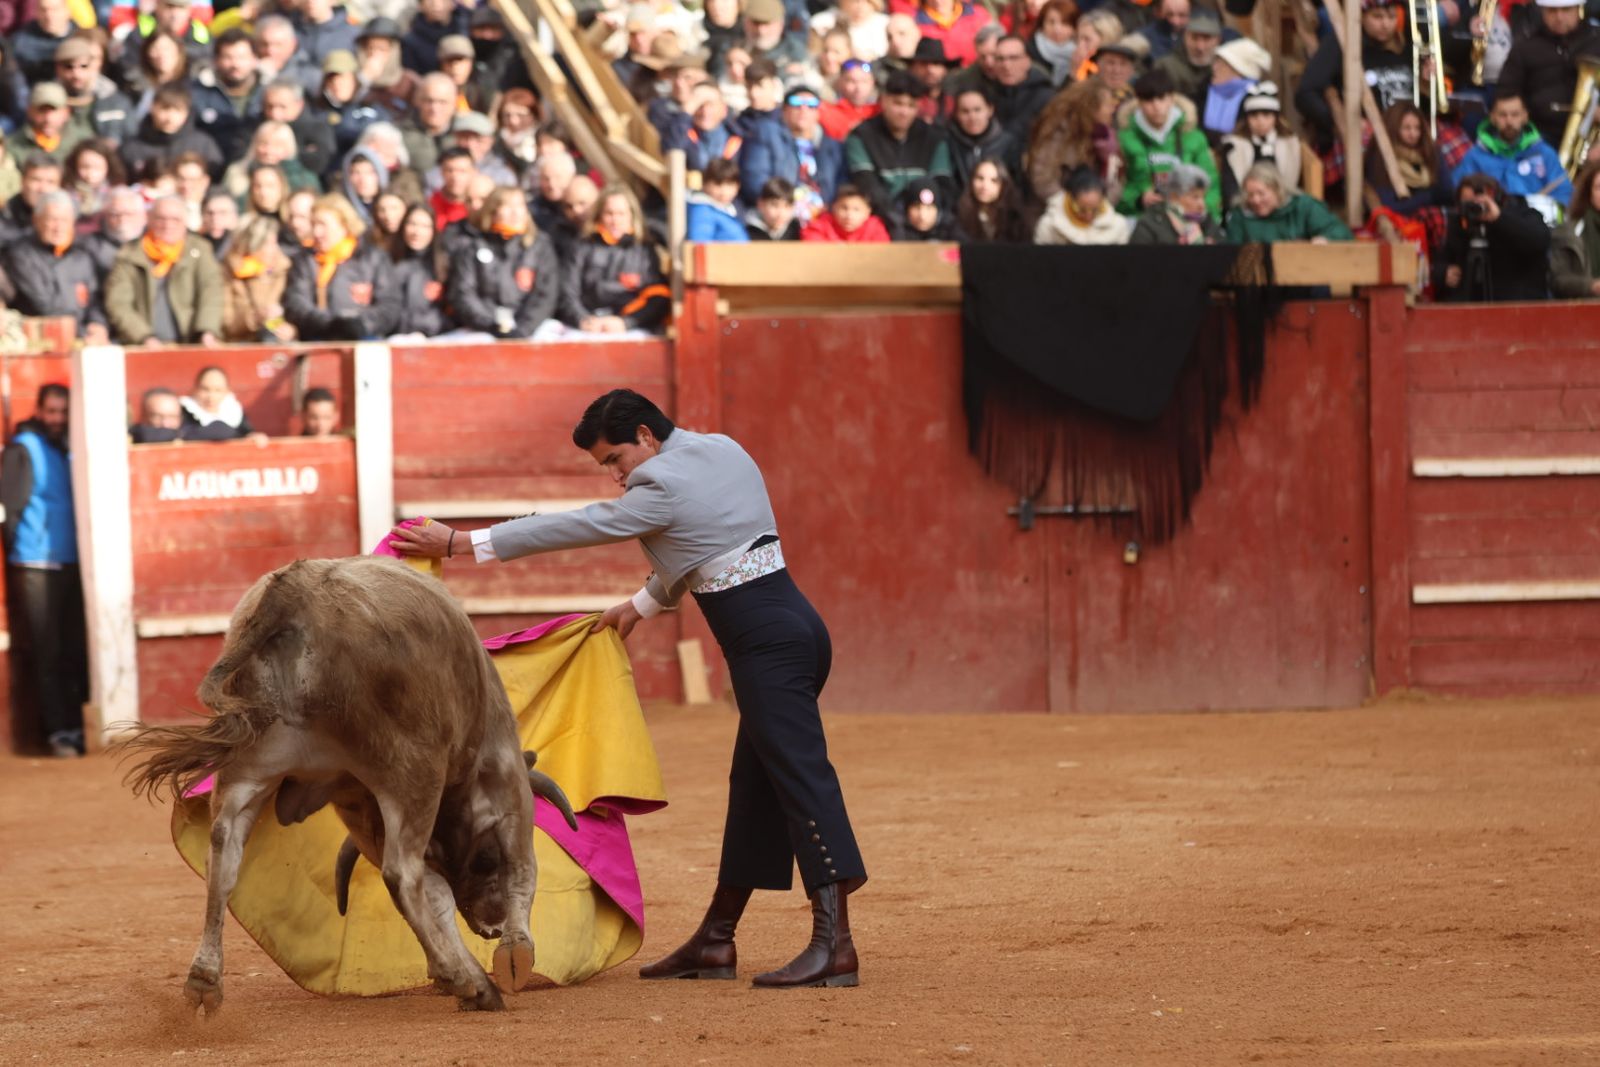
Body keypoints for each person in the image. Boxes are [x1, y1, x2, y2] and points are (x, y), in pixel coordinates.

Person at [387, 388, 868, 989]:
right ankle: (716, 941)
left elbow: (583, 525)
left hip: (765, 647)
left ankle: (836, 945)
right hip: (797, 630)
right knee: (756, 785)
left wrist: (462, 543)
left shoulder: (656, 485)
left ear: (645, 435)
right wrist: (640, 605)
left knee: (800, 779)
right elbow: (706, 540)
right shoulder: (723, 449)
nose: (615, 478)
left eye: (614, 460)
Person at [2, 383, 89, 758]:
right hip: (36, 563)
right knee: (49, 651)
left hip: (70, 561)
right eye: (51, 411)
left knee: (70, 649)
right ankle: (58, 732)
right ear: (39, 410)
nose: (57, 418)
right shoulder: (25, 449)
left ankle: (73, 726)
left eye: (63, 411)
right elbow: (10, 510)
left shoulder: (69, 447)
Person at [104, 195, 223, 346]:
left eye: (175, 219)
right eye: (161, 218)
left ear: (185, 222)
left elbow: (211, 292)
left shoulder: (200, 250)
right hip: (144, 345)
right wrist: (144, 337)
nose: (168, 225)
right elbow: (118, 304)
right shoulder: (129, 255)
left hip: (190, 343)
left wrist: (207, 331)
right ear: (149, 219)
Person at [283, 192, 402, 341]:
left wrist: (360, 324)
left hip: (365, 339)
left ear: (344, 225)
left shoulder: (372, 258)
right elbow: (296, 302)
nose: (316, 232)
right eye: (313, 225)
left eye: (323, 225)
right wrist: (328, 323)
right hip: (318, 338)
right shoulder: (305, 260)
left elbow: (390, 305)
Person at [449, 187, 562, 338]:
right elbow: (463, 293)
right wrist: (492, 325)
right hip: (485, 328)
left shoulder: (540, 245)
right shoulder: (474, 246)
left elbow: (545, 294)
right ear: (493, 211)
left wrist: (523, 329)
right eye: (508, 206)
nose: (515, 212)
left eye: (520, 205)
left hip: (530, 328)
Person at [843, 70, 955, 217]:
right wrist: (895, 219)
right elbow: (867, 185)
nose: (904, 112)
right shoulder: (861, 136)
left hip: (925, 220)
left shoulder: (934, 138)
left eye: (911, 105)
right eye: (898, 103)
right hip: (880, 220)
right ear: (883, 101)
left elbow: (943, 186)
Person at [0, 191, 107, 343]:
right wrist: (83, 332)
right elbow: (43, 306)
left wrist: (98, 324)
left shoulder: (81, 257)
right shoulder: (21, 255)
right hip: (42, 341)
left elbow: (94, 300)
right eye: (52, 220)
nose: (58, 227)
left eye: (64, 220)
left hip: (82, 339)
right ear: (36, 220)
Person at [562, 185, 671, 333]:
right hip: (587, 325)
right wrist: (582, 320)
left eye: (621, 214)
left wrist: (626, 322)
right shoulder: (582, 246)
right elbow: (567, 292)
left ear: (631, 215)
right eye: (609, 213)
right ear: (599, 215)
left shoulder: (644, 249)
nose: (615, 220)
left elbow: (657, 294)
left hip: (630, 326)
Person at [1496, 0, 1600, 150]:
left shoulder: (1596, 41)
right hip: (1538, 135)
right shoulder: (1525, 46)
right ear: (1542, 11)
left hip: (1591, 135)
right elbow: (1506, 91)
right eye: (1552, 11)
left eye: (1566, 10)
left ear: (1578, 9)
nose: (1559, 17)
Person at [1434, 172, 1553, 301]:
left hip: (1515, 305)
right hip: (1470, 308)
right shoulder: (1459, 227)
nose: (1474, 210)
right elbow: (1438, 264)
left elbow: (1539, 240)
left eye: (1478, 204)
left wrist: (1499, 218)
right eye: (1467, 205)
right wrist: (1443, 273)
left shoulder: (1521, 215)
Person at [1118, 68, 1220, 218]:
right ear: (1139, 102)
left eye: (1161, 98)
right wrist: (1139, 199)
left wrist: (1201, 212)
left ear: (1172, 99)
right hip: (1140, 219)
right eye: (1149, 100)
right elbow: (1115, 189)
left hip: (1189, 219)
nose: (1156, 107)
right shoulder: (1123, 139)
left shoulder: (1193, 137)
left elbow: (1211, 185)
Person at [1451, 91, 1572, 211]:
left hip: (1537, 225)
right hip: (1490, 225)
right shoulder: (1475, 156)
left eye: (1515, 114)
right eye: (1502, 115)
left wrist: (1543, 209)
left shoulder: (1545, 154)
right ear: (1492, 117)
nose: (1509, 121)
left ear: (1525, 116)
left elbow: (1565, 194)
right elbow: (1457, 194)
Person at [739, 86, 843, 220]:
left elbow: (842, 185)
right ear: (784, 110)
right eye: (796, 104)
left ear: (818, 113)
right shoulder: (765, 133)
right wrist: (785, 206)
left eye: (811, 105)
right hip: (778, 217)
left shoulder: (832, 146)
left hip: (825, 219)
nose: (803, 110)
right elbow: (755, 180)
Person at [1026, 75, 1120, 203]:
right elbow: (1043, 180)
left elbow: (1116, 180)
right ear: (1091, 107)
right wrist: (1074, 209)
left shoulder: (1108, 138)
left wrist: (1100, 207)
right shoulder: (1058, 134)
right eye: (1108, 105)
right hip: (1061, 210)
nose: (1112, 109)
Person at [1224, 160, 1354, 241]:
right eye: (1250, 195)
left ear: (1277, 190)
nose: (1256, 200)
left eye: (1261, 194)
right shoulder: (1240, 215)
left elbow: (1340, 231)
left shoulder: (1303, 206)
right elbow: (1231, 250)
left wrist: (1325, 239)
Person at [220, 208, 298, 342]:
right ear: (252, 245)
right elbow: (225, 322)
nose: (274, 249)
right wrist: (255, 317)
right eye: (267, 244)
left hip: (278, 343)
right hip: (241, 344)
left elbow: (296, 311)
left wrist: (291, 330)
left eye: (275, 243)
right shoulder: (228, 272)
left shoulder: (284, 269)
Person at [1219, 81, 1301, 205]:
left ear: (1276, 118)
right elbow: (1231, 187)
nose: (1260, 121)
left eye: (1266, 115)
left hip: (1281, 204)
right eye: (1254, 116)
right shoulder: (1234, 146)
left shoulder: (1290, 144)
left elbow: (1292, 183)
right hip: (1248, 203)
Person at [1366, 101, 1453, 217]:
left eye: (1417, 128)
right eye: (1406, 128)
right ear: (1393, 128)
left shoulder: (1432, 153)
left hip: (1430, 222)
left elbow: (1448, 194)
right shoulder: (1379, 158)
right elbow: (1388, 206)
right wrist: (1427, 197)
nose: (1413, 134)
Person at [391, 204, 453, 336]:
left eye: (425, 226)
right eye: (412, 224)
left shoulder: (444, 265)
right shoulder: (388, 263)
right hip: (396, 337)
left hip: (438, 336)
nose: (417, 232)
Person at [945, 85, 1020, 191]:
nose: (972, 117)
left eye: (977, 110)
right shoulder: (948, 143)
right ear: (956, 114)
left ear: (990, 110)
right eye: (965, 111)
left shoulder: (1008, 144)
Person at [1036, 165, 1135, 243]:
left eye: (1095, 210)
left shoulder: (1118, 226)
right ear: (1070, 199)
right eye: (1081, 210)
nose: (1089, 216)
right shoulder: (1049, 225)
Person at [1128, 161, 1221, 242]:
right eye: (1195, 197)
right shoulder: (1150, 223)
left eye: (1203, 197)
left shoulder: (1206, 222)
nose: (1202, 204)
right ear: (1174, 196)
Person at [1154, 7, 1222, 109]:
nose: (1200, 47)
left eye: (1207, 39)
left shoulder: (1226, 68)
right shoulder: (1165, 66)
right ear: (1184, 37)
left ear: (1218, 40)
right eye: (1194, 38)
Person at [1551, 160, 1600, 297]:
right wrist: (1591, 286)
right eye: (1599, 187)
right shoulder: (1569, 232)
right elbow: (1558, 281)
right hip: (1584, 309)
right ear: (1588, 192)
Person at [955, 157, 1034, 241]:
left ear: (1003, 185)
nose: (985, 186)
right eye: (980, 178)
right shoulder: (958, 216)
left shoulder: (1015, 219)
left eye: (994, 180)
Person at [180, 366, 264, 442]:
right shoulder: (186, 410)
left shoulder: (233, 410)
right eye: (205, 389)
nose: (211, 397)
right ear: (196, 389)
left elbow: (248, 433)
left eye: (218, 390)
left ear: (226, 391)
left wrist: (253, 437)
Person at [687, 157, 751, 242]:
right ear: (704, 184)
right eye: (717, 184)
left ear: (737, 186)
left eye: (729, 184)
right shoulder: (703, 210)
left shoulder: (728, 209)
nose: (723, 191)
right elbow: (700, 244)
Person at [800, 182, 891, 240]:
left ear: (867, 212)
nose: (849, 215)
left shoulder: (875, 227)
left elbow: (881, 253)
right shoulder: (821, 224)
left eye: (856, 210)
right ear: (834, 208)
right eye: (844, 208)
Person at [820, 58, 880, 142]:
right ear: (840, 82)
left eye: (864, 81)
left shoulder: (881, 111)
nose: (859, 88)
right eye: (852, 81)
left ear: (872, 83)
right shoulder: (825, 110)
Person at [891, 176, 958, 240]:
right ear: (906, 209)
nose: (922, 216)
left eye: (928, 207)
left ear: (938, 210)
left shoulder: (951, 232)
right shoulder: (895, 233)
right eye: (916, 207)